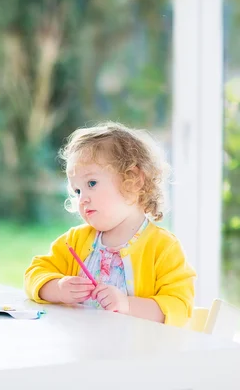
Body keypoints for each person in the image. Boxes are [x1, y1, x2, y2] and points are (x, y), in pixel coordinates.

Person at [24, 122, 195, 327]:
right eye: (77, 191)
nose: (82, 199)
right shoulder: (75, 240)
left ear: (134, 180)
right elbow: (34, 273)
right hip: (82, 352)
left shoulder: (163, 248)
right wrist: (57, 288)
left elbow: (179, 306)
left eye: (91, 184)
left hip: (137, 356)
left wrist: (127, 305)